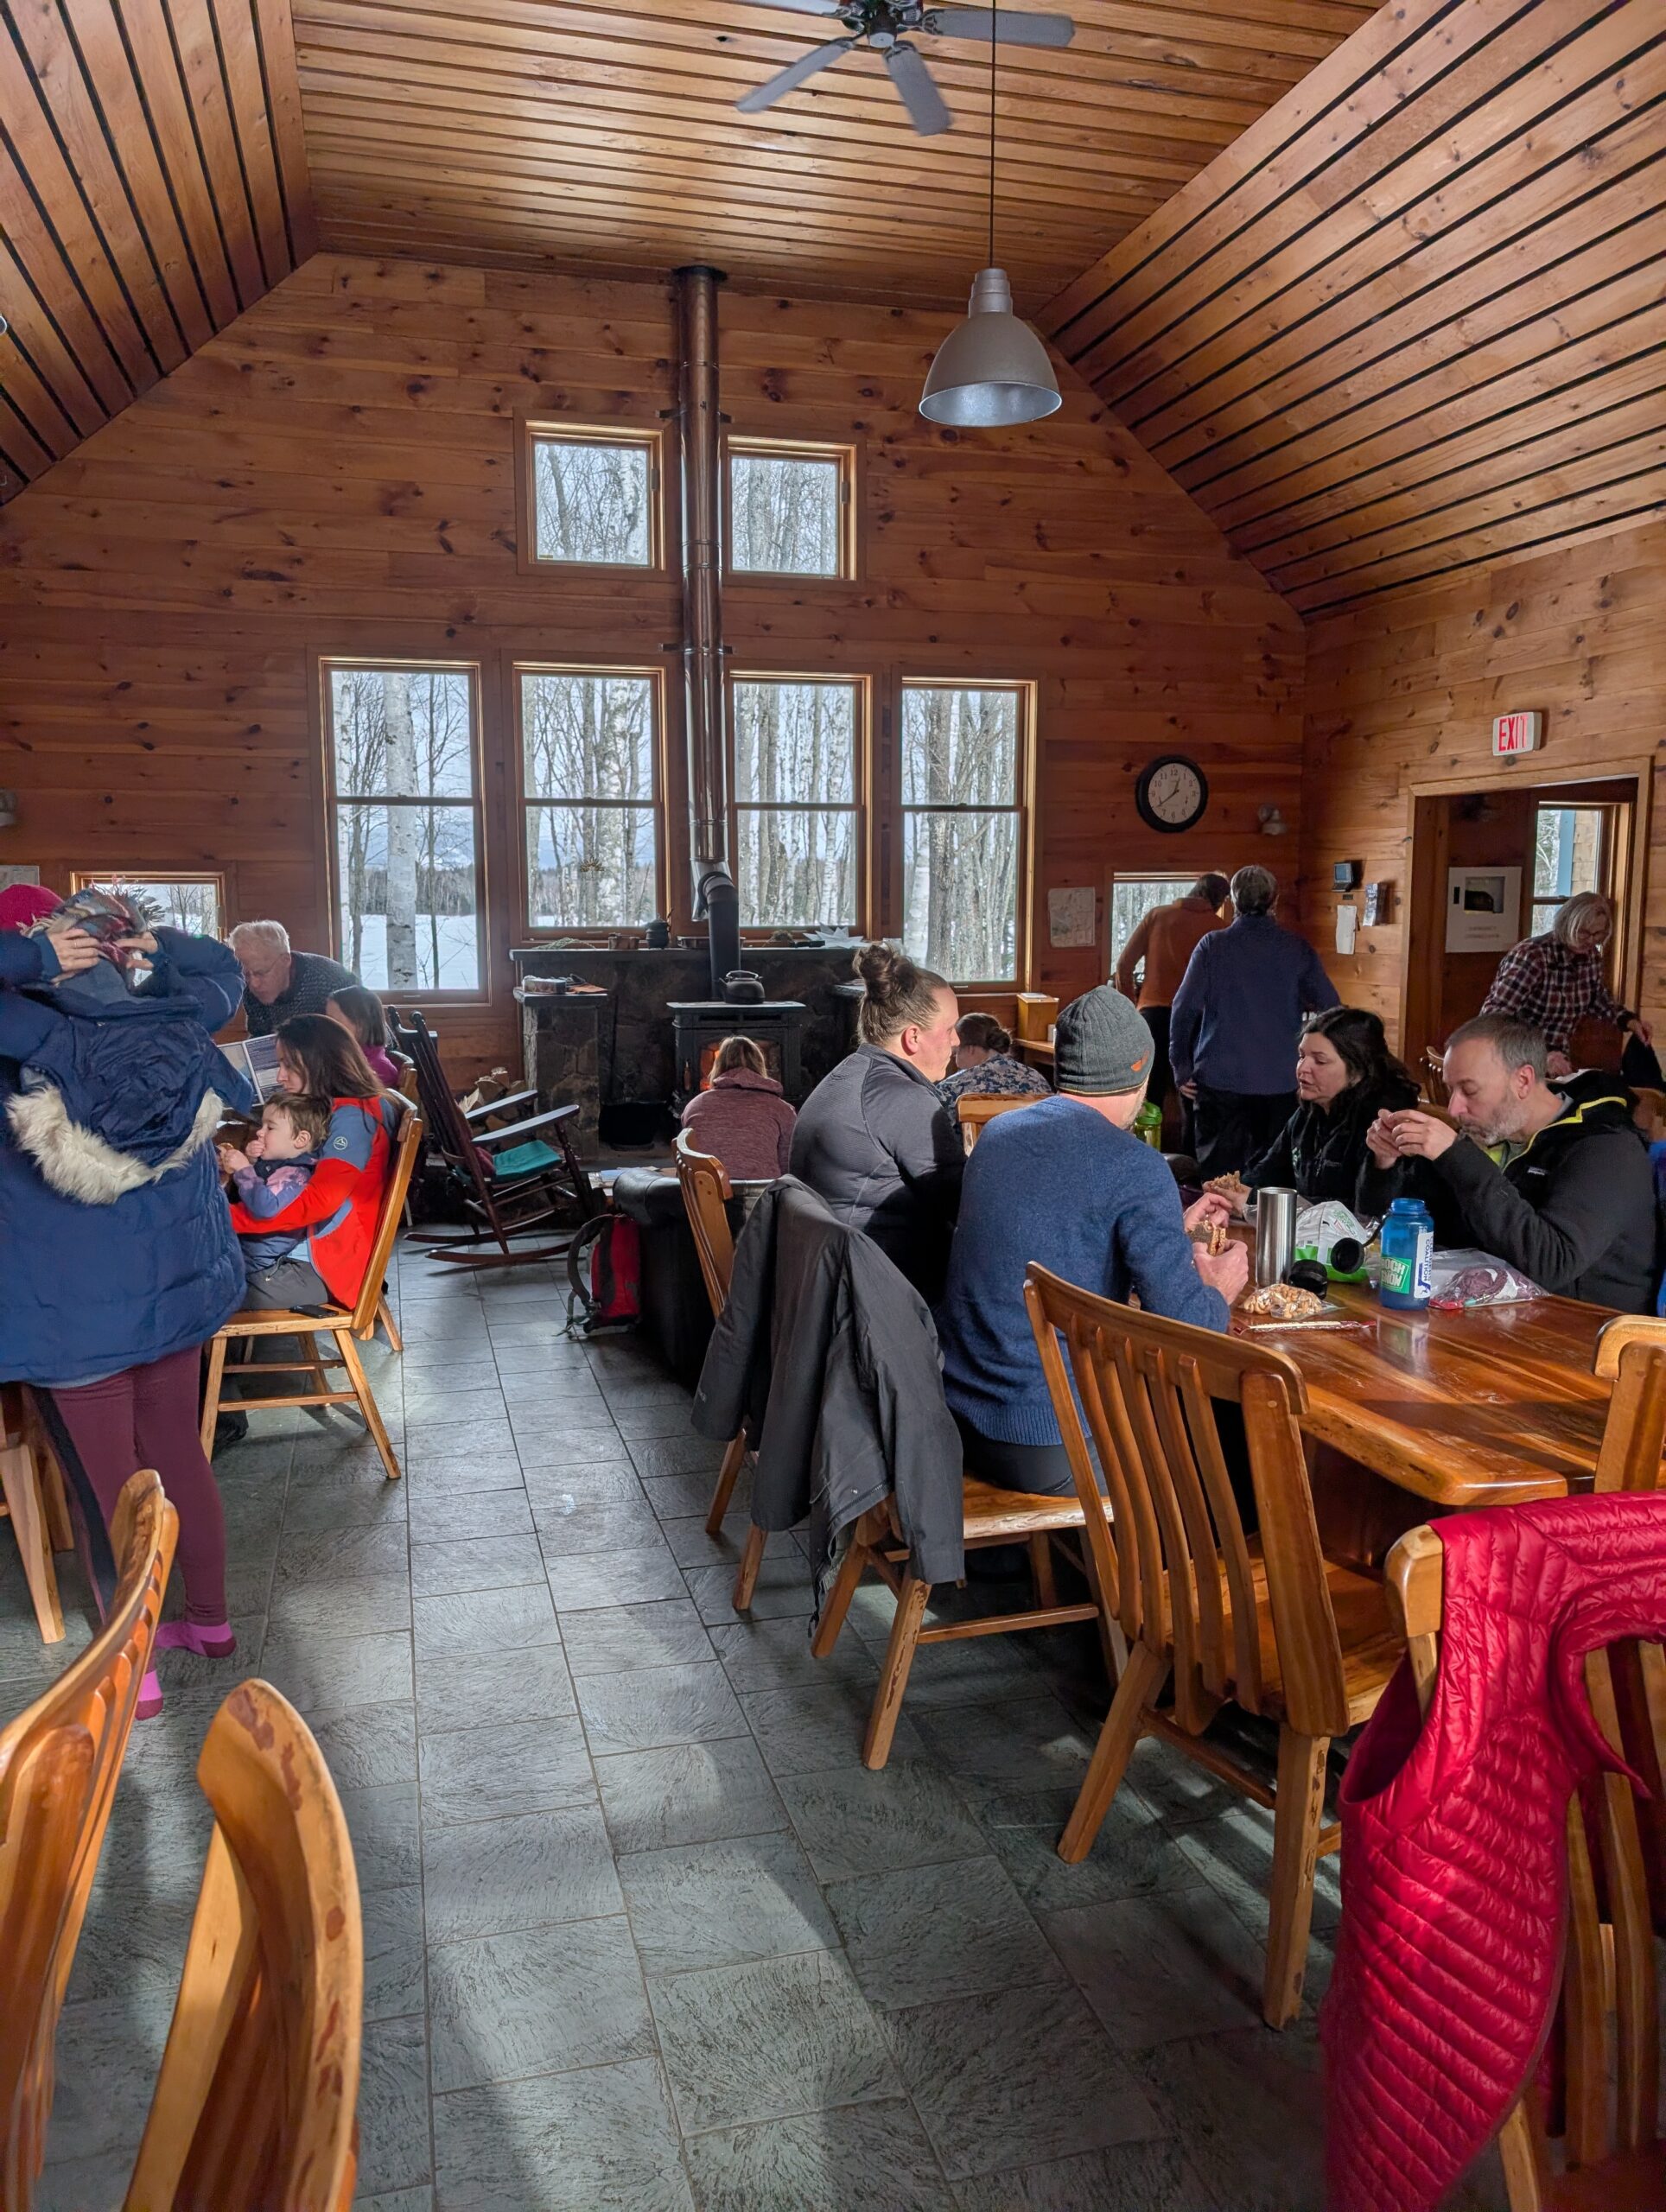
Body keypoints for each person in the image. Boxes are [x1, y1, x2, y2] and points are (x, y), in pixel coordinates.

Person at [0, 883, 253, 1716]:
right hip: (171, 1292)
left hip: (73, 1311)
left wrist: (32, 960)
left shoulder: (26, 1031)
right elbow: (227, 966)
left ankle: (135, 1673)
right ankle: (210, 1624)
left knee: (105, 1486)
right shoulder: (180, 1017)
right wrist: (153, 942)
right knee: (177, 1451)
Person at [937, 984, 1248, 1494]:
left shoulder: (997, 1134)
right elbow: (1187, 1328)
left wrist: (1169, 1221)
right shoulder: (1135, 1165)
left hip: (959, 1415)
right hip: (1048, 1440)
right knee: (1223, 1443)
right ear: (1142, 1074)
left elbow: (1059, 1222)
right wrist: (1218, 1290)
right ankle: (1180, 1567)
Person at [1364, 1013, 1657, 1312]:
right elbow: (1388, 1230)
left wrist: (1457, 1155)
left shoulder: (1606, 1147)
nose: (1453, 1108)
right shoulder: (1490, 1135)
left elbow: (1552, 1265)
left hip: (1581, 1335)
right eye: (1452, 1089)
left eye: (1469, 1090)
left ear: (1523, 1081)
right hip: (1487, 1318)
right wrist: (1385, 1165)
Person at [790, 942, 963, 1300]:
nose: (957, 1041)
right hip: (877, 1302)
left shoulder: (847, 1076)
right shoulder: (904, 1099)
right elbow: (966, 1205)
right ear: (912, 1037)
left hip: (824, 1282)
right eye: (949, 1029)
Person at [1168, 864, 1339, 1178]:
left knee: (1217, 1182)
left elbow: (1183, 1010)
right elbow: (1332, 1009)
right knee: (1275, 1183)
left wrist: (1181, 1067)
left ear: (1233, 901)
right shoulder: (1296, 949)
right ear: (1274, 901)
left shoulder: (1212, 947)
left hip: (1220, 1078)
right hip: (1281, 1081)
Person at [224, 1014, 397, 1317]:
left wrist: (224, 1219)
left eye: (289, 1065)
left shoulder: (354, 1118)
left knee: (195, 1291)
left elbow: (317, 1203)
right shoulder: (348, 1107)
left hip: (326, 1264)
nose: (280, 1076)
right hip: (313, 1252)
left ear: (320, 1062)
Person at [1230, 1006, 1420, 1216]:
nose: (1302, 1069)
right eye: (1301, 1056)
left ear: (1358, 1070)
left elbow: (1362, 1213)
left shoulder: (1383, 1123)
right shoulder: (1309, 1112)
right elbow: (1268, 1172)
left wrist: (1256, 1199)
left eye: (1319, 1061)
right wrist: (1233, 1190)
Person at [1481, 891, 1652, 1077]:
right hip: (1515, 1059)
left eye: (1597, 934)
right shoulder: (1532, 957)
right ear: (1567, 923)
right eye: (1584, 932)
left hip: (1557, 1062)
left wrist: (1630, 1021)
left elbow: (1597, 1000)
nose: (1591, 940)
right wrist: (1540, 1056)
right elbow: (1493, 1019)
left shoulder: (1590, 957)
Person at [1114, 872, 1229, 1118]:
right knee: (1190, 1096)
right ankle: (1188, 1156)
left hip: (1152, 1016)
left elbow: (1124, 965)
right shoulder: (1220, 930)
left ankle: (1145, 1152)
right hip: (1197, 1020)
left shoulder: (1158, 916)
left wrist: (1132, 1011)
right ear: (1221, 901)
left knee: (1147, 1096)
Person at [218, 1093, 331, 1281]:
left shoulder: (295, 1174)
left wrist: (245, 1169)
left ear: (301, 1140)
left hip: (255, 1259)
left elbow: (265, 1206)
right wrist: (253, 1161)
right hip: (243, 1247)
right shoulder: (279, 1164)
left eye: (270, 1127)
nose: (260, 1132)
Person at [679, 1034, 797, 1181]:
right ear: (759, 1065)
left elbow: (686, 1160)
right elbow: (788, 1168)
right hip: (759, 1196)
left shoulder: (694, 1106)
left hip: (705, 1198)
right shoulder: (783, 1110)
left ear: (718, 1065)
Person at [230, 918, 357, 1037]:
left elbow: (355, 1042)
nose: (254, 984)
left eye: (261, 973)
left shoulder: (330, 980)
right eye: (246, 974)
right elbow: (258, 1037)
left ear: (285, 960)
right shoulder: (249, 986)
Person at [935, 1013, 1052, 1105]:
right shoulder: (1036, 1078)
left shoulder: (952, 1087)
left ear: (970, 1049)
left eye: (956, 1053)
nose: (956, 1061)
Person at [325, 982, 400, 1089]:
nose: (327, 1026)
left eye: (334, 1021)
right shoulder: (347, 1057)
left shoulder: (378, 1069)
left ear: (360, 1024)